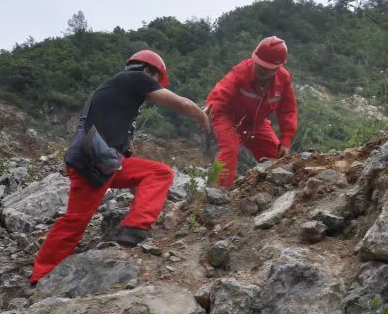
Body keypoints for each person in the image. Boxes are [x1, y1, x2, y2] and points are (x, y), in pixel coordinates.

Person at [29, 49, 210, 285]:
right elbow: (181, 103)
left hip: (106, 162)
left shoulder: (117, 90)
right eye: (156, 81)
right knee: (75, 221)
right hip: (92, 163)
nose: (154, 88)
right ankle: (41, 274)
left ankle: (135, 226)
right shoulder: (138, 78)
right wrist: (201, 115)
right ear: (148, 71)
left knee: (159, 172)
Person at [205, 36, 298, 187]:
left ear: (278, 67)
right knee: (229, 148)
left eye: (267, 68)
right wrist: (211, 105)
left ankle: (270, 190)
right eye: (260, 65)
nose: (262, 70)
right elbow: (222, 90)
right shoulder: (241, 71)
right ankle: (214, 191)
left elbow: (288, 111)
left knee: (279, 159)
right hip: (225, 115)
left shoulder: (284, 79)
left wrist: (286, 141)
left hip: (256, 123)